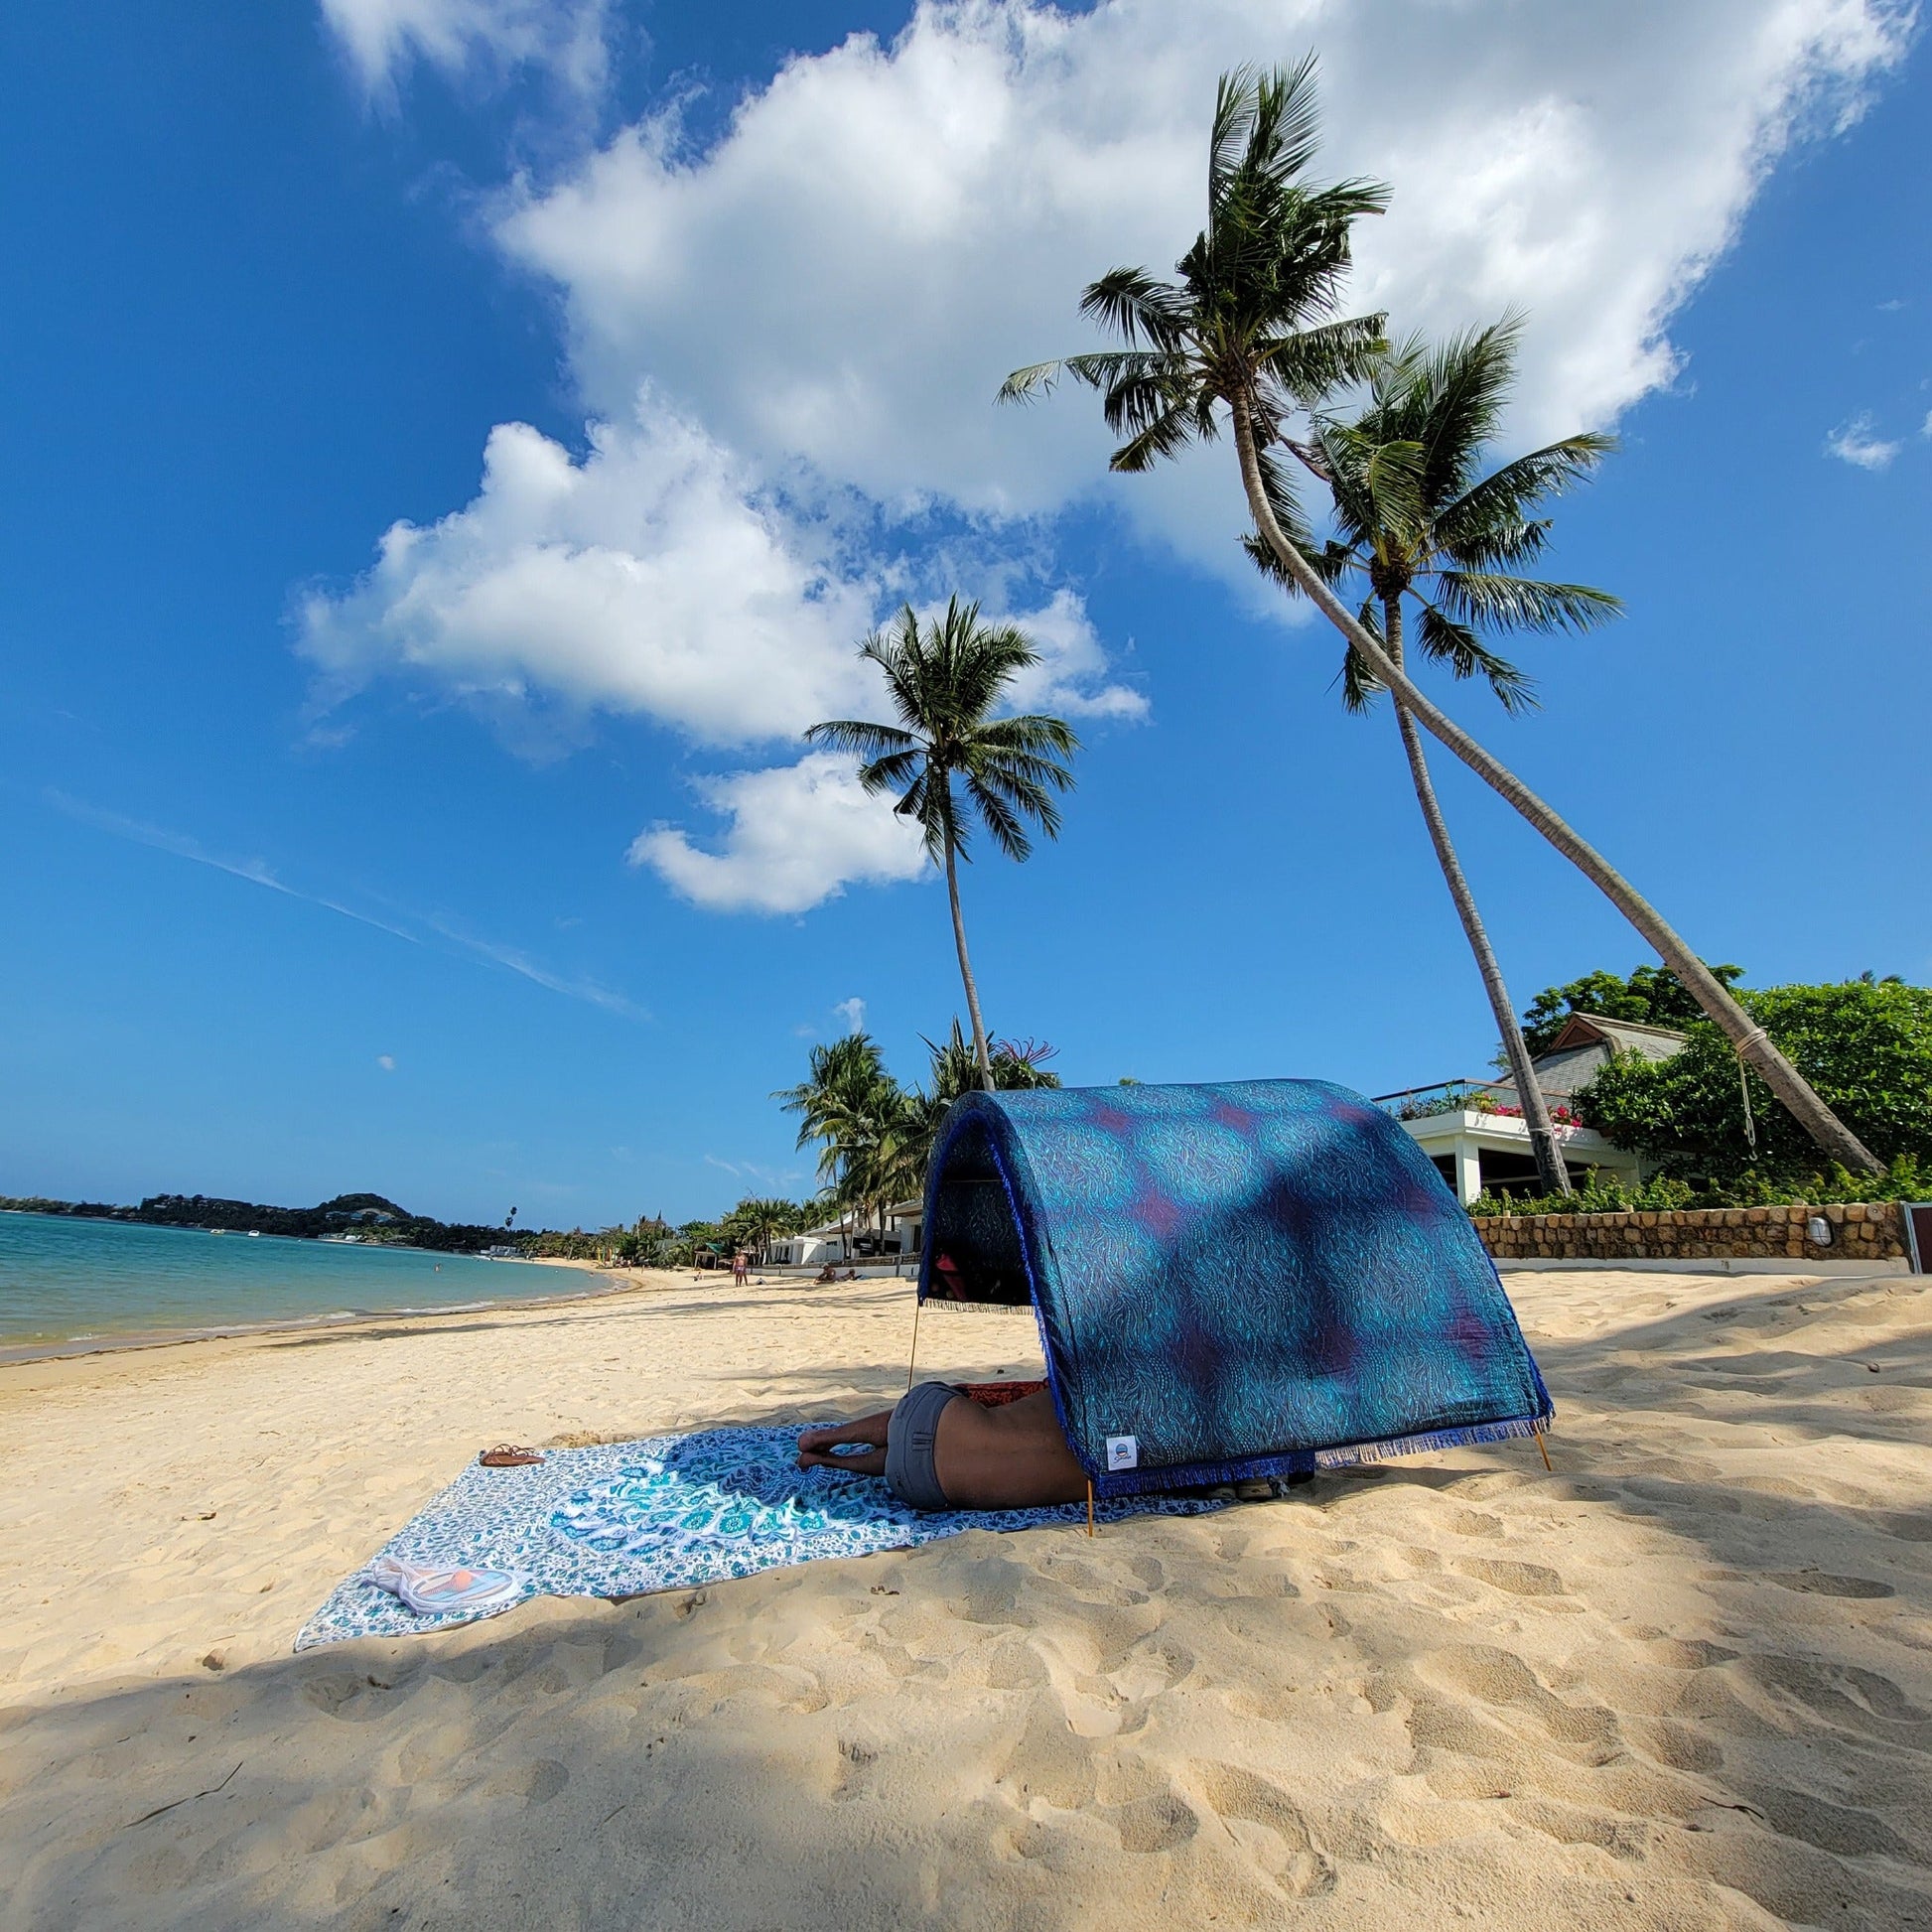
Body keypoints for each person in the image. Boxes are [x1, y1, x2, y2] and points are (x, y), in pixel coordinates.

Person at [796, 1383, 1089, 1511]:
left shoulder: (1078, 1393)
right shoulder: (1114, 1478)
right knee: (905, 1457)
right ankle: (833, 1462)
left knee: (908, 1428)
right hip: (921, 1483)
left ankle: (828, 1436)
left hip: (931, 1416)